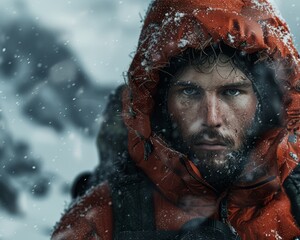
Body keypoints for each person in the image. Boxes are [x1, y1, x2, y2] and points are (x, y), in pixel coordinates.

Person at [51, 0, 300, 239]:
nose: (211, 118)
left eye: (232, 92)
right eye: (190, 92)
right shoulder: (98, 222)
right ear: (160, 104)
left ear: (264, 103)